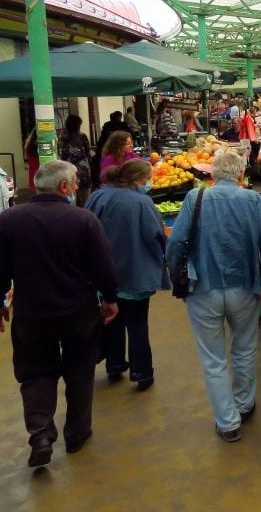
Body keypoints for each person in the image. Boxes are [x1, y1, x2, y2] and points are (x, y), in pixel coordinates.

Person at [0, 160, 118, 467]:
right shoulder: (83, 220)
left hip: (31, 313)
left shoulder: (9, 220)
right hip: (77, 312)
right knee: (80, 371)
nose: (78, 187)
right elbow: (102, 267)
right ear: (63, 187)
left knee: (36, 373)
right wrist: (110, 298)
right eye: (76, 182)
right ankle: (77, 434)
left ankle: (40, 434)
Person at [166, 149, 261, 442]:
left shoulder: (196, 198)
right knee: (244, 349)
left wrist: (177, 278)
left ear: (212, 174)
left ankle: (228, 423)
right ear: (241, 174)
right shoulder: (253, 199)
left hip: (203, 287)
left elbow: (176, 243)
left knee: (213, 359)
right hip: (244, 287)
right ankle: (244, 404)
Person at [85, 160, 168, 391]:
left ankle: (114, 364)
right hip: (136, 272)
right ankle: (142, 373)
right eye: (147, 179)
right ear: (138, 180)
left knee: (111, 319)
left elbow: (85, 228)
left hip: (104, 274)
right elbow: (156, 235)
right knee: (138, 323)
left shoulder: (98, 197)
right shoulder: (142, 202)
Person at [58, 114, 93, 206]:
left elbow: (63, 153)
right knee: (85, 192)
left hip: (69, 167)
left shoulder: (63, 137)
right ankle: (86, 211)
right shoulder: (83, 136)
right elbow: (88, 151)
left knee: (71, 190)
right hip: (84, 166)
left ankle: (73, 211)